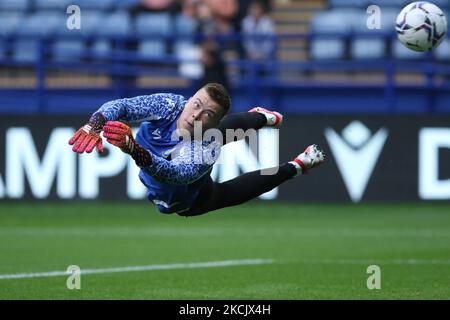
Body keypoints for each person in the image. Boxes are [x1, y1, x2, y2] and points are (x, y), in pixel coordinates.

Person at [68, 83, 324, 216]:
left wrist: (134, 149)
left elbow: (174, 174)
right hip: (157, 172)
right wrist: (94, 125)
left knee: (226, 194)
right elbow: (122, 105)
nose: (195, 115)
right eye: (196, 104)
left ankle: (295, 168)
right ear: (189, 98)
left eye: (207, 114)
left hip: (190, 197)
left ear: (214, 120)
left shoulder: (207, 147)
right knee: (223, 131)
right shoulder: (169, 104)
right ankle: (266, 117)